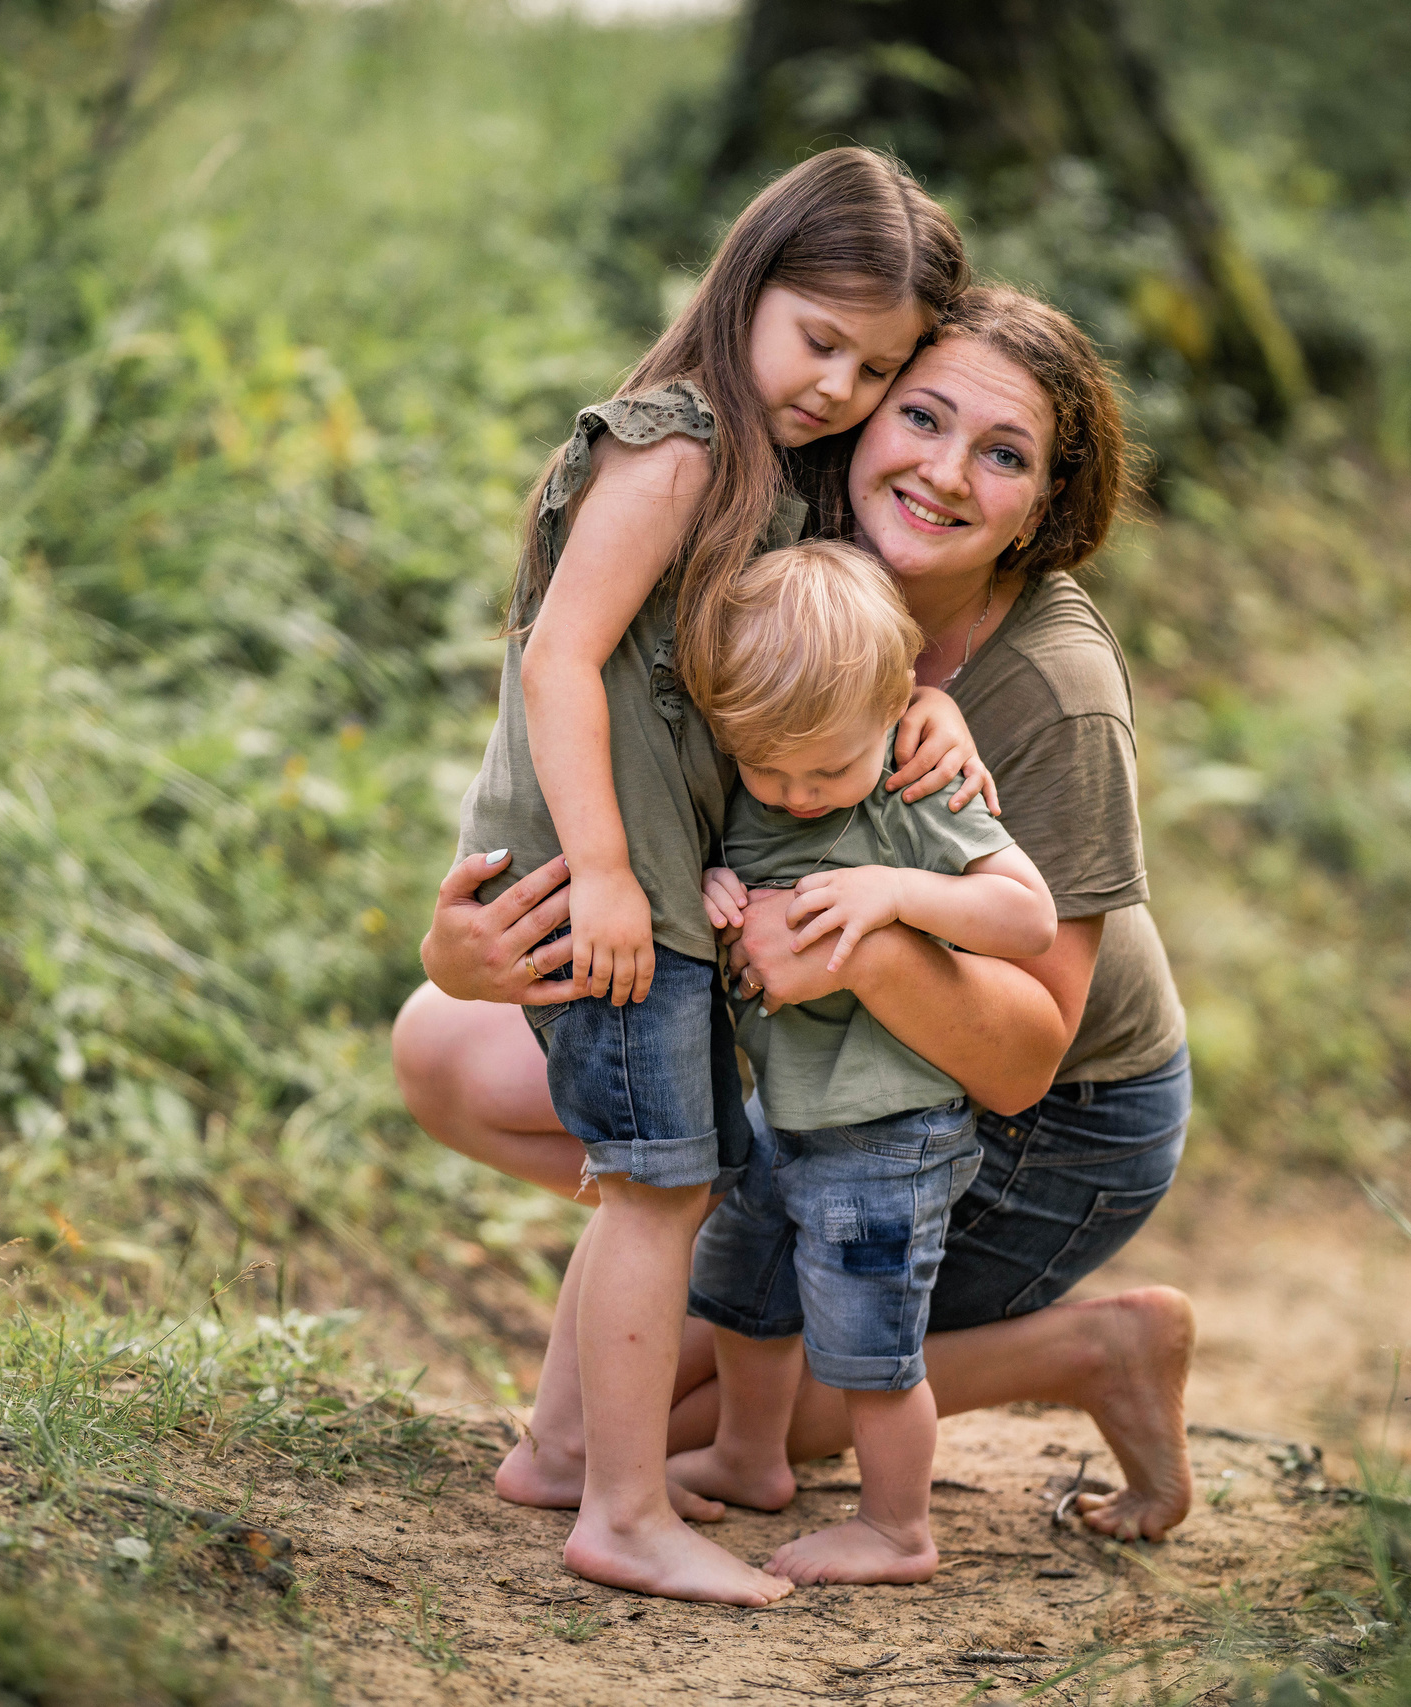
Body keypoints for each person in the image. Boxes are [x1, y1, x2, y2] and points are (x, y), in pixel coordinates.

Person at [399, 280, 1197, 1546]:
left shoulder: (1052, 690)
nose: (941, 472)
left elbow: (1025, 1057)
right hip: (807, 1059)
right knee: (441, 1041)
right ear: (867, 408)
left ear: (1045, 503)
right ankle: (726, 1245)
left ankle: (1089, 1349)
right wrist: (474, 948)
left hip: (1047, 1122)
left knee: (788, 1385)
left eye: (1002, 455)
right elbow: (625, 762)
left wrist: (859, 940)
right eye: (920, 415)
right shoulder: (779, 550)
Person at [447, 146, 969, 1605]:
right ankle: (620, 1510)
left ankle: (561, 1449)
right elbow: (560, 655)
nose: (839, 390)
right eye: (821, 341)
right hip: (607, 879)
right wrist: (608, 875)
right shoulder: (674, 445)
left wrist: (917, 699)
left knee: (669, 1176)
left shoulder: (752, 471)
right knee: (658, 1192)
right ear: (749, 284)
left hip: (658, 879)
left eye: (876, 370)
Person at [670, 539, 1055, 1585]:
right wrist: (711, 889)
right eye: (769, 770)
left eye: (826, 771)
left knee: (870, 1346)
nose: (796, 794)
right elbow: (745, 874)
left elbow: (1028, 916)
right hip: (781, 1112)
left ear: (897, 708)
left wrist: (898, 891)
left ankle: (896, 1527)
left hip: (890, 1133)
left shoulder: (913, 789)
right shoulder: (764, 785)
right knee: (742, 1297)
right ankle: (750, 1459)